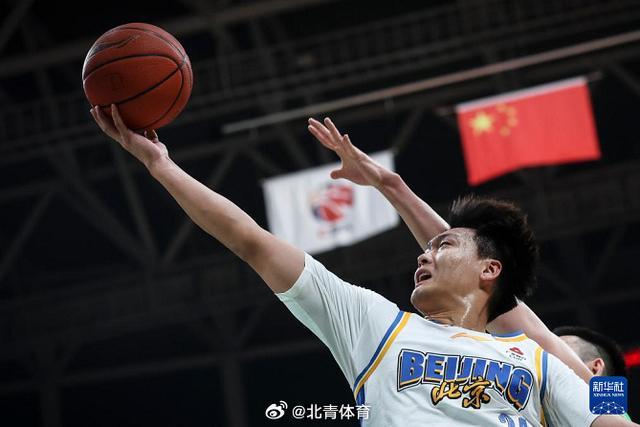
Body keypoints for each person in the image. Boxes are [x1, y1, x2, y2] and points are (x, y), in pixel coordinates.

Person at [91, 105, 635, 426]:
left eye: (442, 247)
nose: (423, 254)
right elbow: (251, 240)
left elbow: (535, 331)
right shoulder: (377, 325)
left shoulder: (539, 362)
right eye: (431, 247)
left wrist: (593, 379)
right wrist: (161, 166)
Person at [306, 117, 596, 384]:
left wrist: (391, 186)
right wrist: (390, 184)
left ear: (597, 367)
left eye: (569, 346)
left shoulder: (587, 387)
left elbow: (471, 264)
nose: (425, 256)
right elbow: (465, 260)